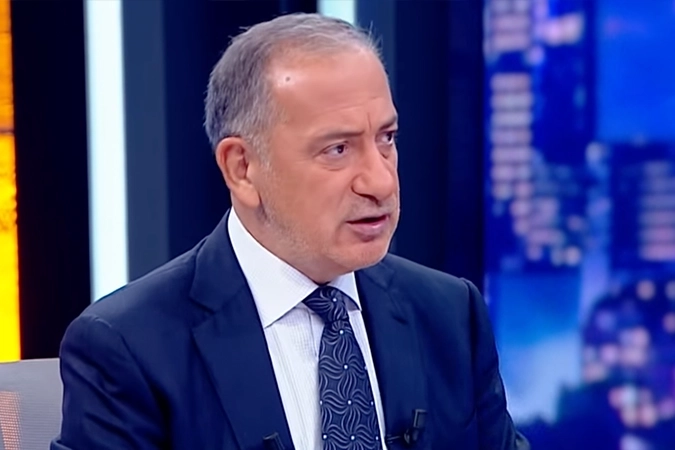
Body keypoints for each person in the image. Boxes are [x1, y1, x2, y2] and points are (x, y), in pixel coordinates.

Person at [51, 13, 529, 450]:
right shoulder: (129, 349)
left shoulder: (450, 315)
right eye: (337, 149)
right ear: (242, 168)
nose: (381, 181)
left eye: (386, 139)